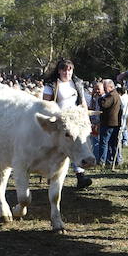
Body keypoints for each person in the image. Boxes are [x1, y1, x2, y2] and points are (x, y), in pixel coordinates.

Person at [42, 58, 93, 188]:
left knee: (77, 145)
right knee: (56, 149)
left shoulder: (77, 83)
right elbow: (46, 104)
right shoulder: (52, 85)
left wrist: (85, 117)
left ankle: (80, 176)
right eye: (64, 70)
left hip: (75, 120)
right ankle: (50, 173)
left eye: (69, 70)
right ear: (59, 71)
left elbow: (82, 102)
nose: (67, 73)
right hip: (60, 121)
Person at [95, 79, 123, 168]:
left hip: (108, 124)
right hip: (115, 123)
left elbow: (104, 104)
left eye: (105, 87)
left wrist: (100, 98)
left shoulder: (111, 95)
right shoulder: (116, 95)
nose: (104, 89)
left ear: (111, 87)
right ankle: (116, 160)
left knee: (104, 143)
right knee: (113, 144)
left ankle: (102, 161)